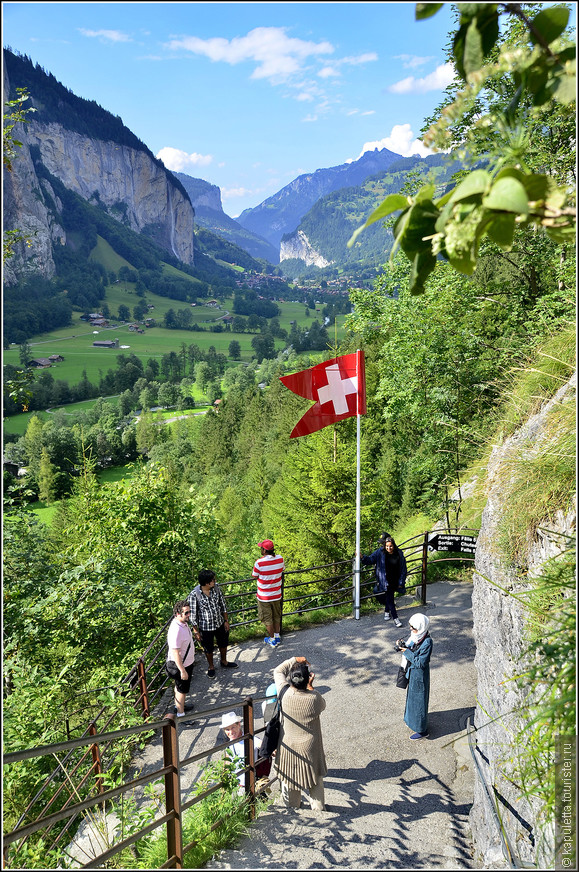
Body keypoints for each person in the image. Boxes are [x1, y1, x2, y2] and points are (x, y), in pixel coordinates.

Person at [272, 656, 327, 811]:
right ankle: (318, 809)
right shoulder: (314, 698)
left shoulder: (283, 692)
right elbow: (323, 706)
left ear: (291, 679)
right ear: (308, 678)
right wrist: (310, 687)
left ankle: (293, 807)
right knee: (315, 779)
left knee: (290, 778)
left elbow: (278, 670)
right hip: (310, 748)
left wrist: (294, 659)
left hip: (288, 745)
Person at [188, 569, 238, 679]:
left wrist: (226, 621)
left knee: (223, 643)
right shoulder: (194, 595)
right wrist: (196, 631)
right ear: (207, 582)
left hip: (219, 623)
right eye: (213, 580)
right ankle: (211, 667)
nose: (215, 581)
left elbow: (222, 605)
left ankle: (224, 661)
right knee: (208, 648)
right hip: (205, 627)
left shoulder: (216, 589)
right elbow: (192, 615)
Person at [396, 613, 432, 740]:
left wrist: (407, 652)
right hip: (412, 674)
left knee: (419, 703)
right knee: (412, 701)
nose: (411, 629)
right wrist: (403, 646)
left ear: (421, 627)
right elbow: (411, 648)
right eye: (411, 626)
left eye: (414, 627)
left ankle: (422, 730)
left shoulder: (427, 642)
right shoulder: (417, 636)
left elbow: (421, 662)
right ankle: (411, 722)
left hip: (419, 676)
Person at [361, 532, 407, 627]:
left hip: (395, 580)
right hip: (385, 581)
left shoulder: (399, 553)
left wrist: (401, 581)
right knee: (390, 597)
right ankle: (396, 618)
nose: (386, 546)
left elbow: (403, 568)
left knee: (390, 596)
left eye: (389, 545)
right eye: (384, 544)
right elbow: (370, 560)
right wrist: (362, 557)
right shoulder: (380, 552)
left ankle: (386, 612)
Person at [219, 711, 263, 793]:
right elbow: (227, 761)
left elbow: (261, 744)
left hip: (252, 783)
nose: (231, 732)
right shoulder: (229, 743)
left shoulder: (250, 739)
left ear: (239, 724)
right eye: (227, 729)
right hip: (236, 784)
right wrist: (224, 778)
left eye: (233, 727)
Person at [252, 539, 285, 648]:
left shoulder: (259, 563)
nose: (260, 549)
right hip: (277, 594)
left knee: (267, 618)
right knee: (276, 615)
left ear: (264, 550)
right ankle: (277, 636)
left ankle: (272, 640)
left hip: (264, 596)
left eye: (261, 548)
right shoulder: (280, 559)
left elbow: (254, 575)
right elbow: (282, 569)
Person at [166, 600, 195, 717]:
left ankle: (178, 706)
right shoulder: (176, 630)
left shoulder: (182, 623)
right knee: (182, 690)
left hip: (184, 663)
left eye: (189, 612)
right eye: (186, 613)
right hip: (180, 665)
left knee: (179, 688)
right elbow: (175, 653)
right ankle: (181, 714)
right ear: (178, 614)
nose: (189, 615)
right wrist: (182, 670)